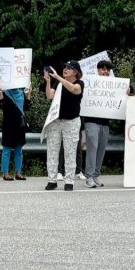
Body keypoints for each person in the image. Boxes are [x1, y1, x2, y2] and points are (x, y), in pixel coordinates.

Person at [44, 61, 85, 191]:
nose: (65, 69)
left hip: (71, 121)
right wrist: (49, 81)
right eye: (65, 67)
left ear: (75, 72)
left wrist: (58, 77)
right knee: (52, 150)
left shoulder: (79, 83)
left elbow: (74, 90)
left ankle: (69, 181)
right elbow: (49, 95)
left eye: (69, 68)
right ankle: (52, 180)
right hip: (56, 120)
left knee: (70, 151)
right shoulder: (59, 82)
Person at [82, 59, 114, 188]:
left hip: (105, 122)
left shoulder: (113, 84)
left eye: (108, 69)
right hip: (91, 121)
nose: (105, 72)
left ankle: (95, 175)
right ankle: (89, 176)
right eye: (103, 69)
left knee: (101, 150)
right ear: (98, 70)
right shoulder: (91, 82)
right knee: (92, 149)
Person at [0, 86, 28, 181]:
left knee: (19, 150)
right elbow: (3, 106)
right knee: (7, 149)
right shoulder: (5, 92)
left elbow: (26, 107)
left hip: (20, 125)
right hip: (8, 125)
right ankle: (5, 173)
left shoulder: (21, 93)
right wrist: (0, 93)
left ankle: (18, 173)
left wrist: (29, 93)